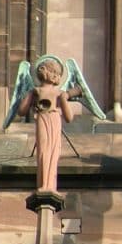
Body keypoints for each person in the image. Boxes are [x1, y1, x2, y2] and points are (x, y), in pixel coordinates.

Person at [17, 58, 77, 193]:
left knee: (53, 153)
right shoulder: (36, 91)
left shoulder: (60, 93)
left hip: (54, 121)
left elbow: (69, 118)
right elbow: (21, 111)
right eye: (45, 69)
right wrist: (30, 94)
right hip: (42, 120)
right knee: (43, 152)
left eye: (51, 70)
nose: (46, 72)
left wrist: (63, 99)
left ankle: (50, 185)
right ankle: (43, 184)